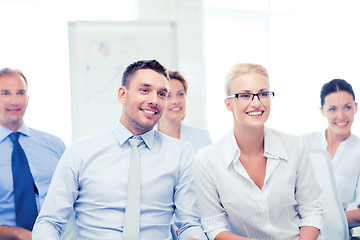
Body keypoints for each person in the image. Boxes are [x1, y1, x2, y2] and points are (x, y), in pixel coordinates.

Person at [32, 59, 207, 240]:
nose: (154, 100)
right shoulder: (80, 151)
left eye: (162, 94)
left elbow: (190, 224)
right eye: (144, 90)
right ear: (123, 95)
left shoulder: (181, 153)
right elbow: (49, 222)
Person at [194, 63, 324, 240]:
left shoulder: (295, 146)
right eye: (245, 95)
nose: (256, 103)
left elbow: (312, 210)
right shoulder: (207, 159)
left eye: (263, 94)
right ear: (228, 104)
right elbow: (214, 226)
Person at [0, 68, 66, 240]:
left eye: (20, 93)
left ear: (27, 99)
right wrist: (16, 233)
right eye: (5, 93)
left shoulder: (54, 145)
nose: (14, 100)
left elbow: (73, 198)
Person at [302, 79, 360, 224]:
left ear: (356, 107)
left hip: (334, 231)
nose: (341, 116)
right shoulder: (303, 143)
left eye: (347, 107)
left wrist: (326, 219)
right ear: (322, 111)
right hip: (295, 227)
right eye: (332, 109)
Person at [157, 70, 211, 152]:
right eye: (168, 96)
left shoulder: (202, 137)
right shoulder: (144, 138)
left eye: (180, 94)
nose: (175, 101)